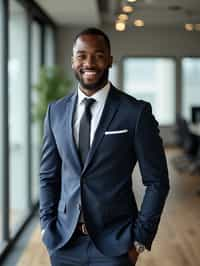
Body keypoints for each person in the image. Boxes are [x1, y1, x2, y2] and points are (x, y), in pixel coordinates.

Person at [39, 27, 170, 266]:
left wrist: (140, 238)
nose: (89, 63)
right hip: (64, 244)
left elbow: (157, 181)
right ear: (72, 61)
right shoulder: (55, 112)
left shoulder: (135, 113)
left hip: (115, 246)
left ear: (109, 60)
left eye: (98, 55)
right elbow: (48, 175)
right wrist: (47, 228)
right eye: (82, 55)